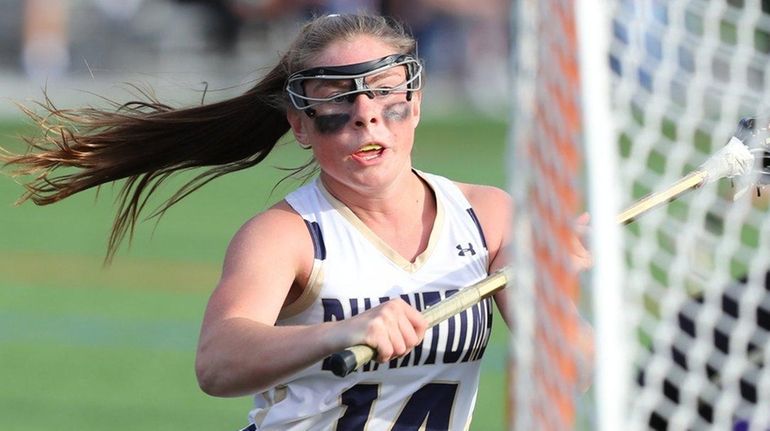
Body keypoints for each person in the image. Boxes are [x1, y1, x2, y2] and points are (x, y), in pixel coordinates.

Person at [2, 13, 590, 430]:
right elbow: (218, 361)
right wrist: (341, 332)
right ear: (301, 125)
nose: (367, 120)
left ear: (415, 101)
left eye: (384, 93)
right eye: (338, 99)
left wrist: (556, 282)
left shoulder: (488, 216)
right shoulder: (285, 236)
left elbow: (574, 367)